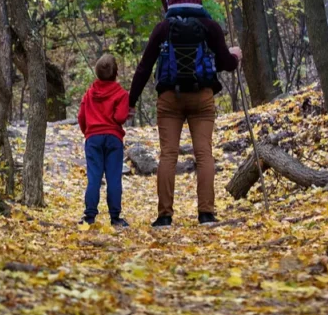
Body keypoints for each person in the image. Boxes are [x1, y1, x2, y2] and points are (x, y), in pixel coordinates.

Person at [128, 13, 241, 227]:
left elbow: (145, 67)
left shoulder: (163, 28)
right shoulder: (209, 26)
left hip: (170, 98)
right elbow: (225, 63)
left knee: (168, 154)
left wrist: (131, 101)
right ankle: (206, 213)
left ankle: (164, 217)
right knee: (204, 153)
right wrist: (234, 56)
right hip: (202, 97)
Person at [77, 53, 131, 228]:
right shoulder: (121, 94)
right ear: (116, 73)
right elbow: (121, 117)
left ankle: (89, 215)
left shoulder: (89, 94)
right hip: (113, 139)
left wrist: (88, 133)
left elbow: (81, 117)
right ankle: (115, 217)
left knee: (94, 177)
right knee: (114, 178)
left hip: (93, 139)